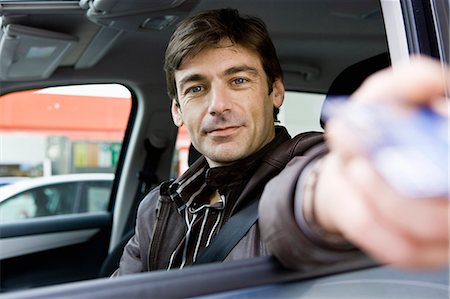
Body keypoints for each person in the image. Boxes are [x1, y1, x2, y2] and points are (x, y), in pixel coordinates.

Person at [113, 8, 449, 275]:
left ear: (276, 92)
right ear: (177, 110)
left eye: (239, 80)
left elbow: (307, 193)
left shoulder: (306, 164)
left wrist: (338, 193)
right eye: (196, 88)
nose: (218, 105)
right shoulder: (159, 206)